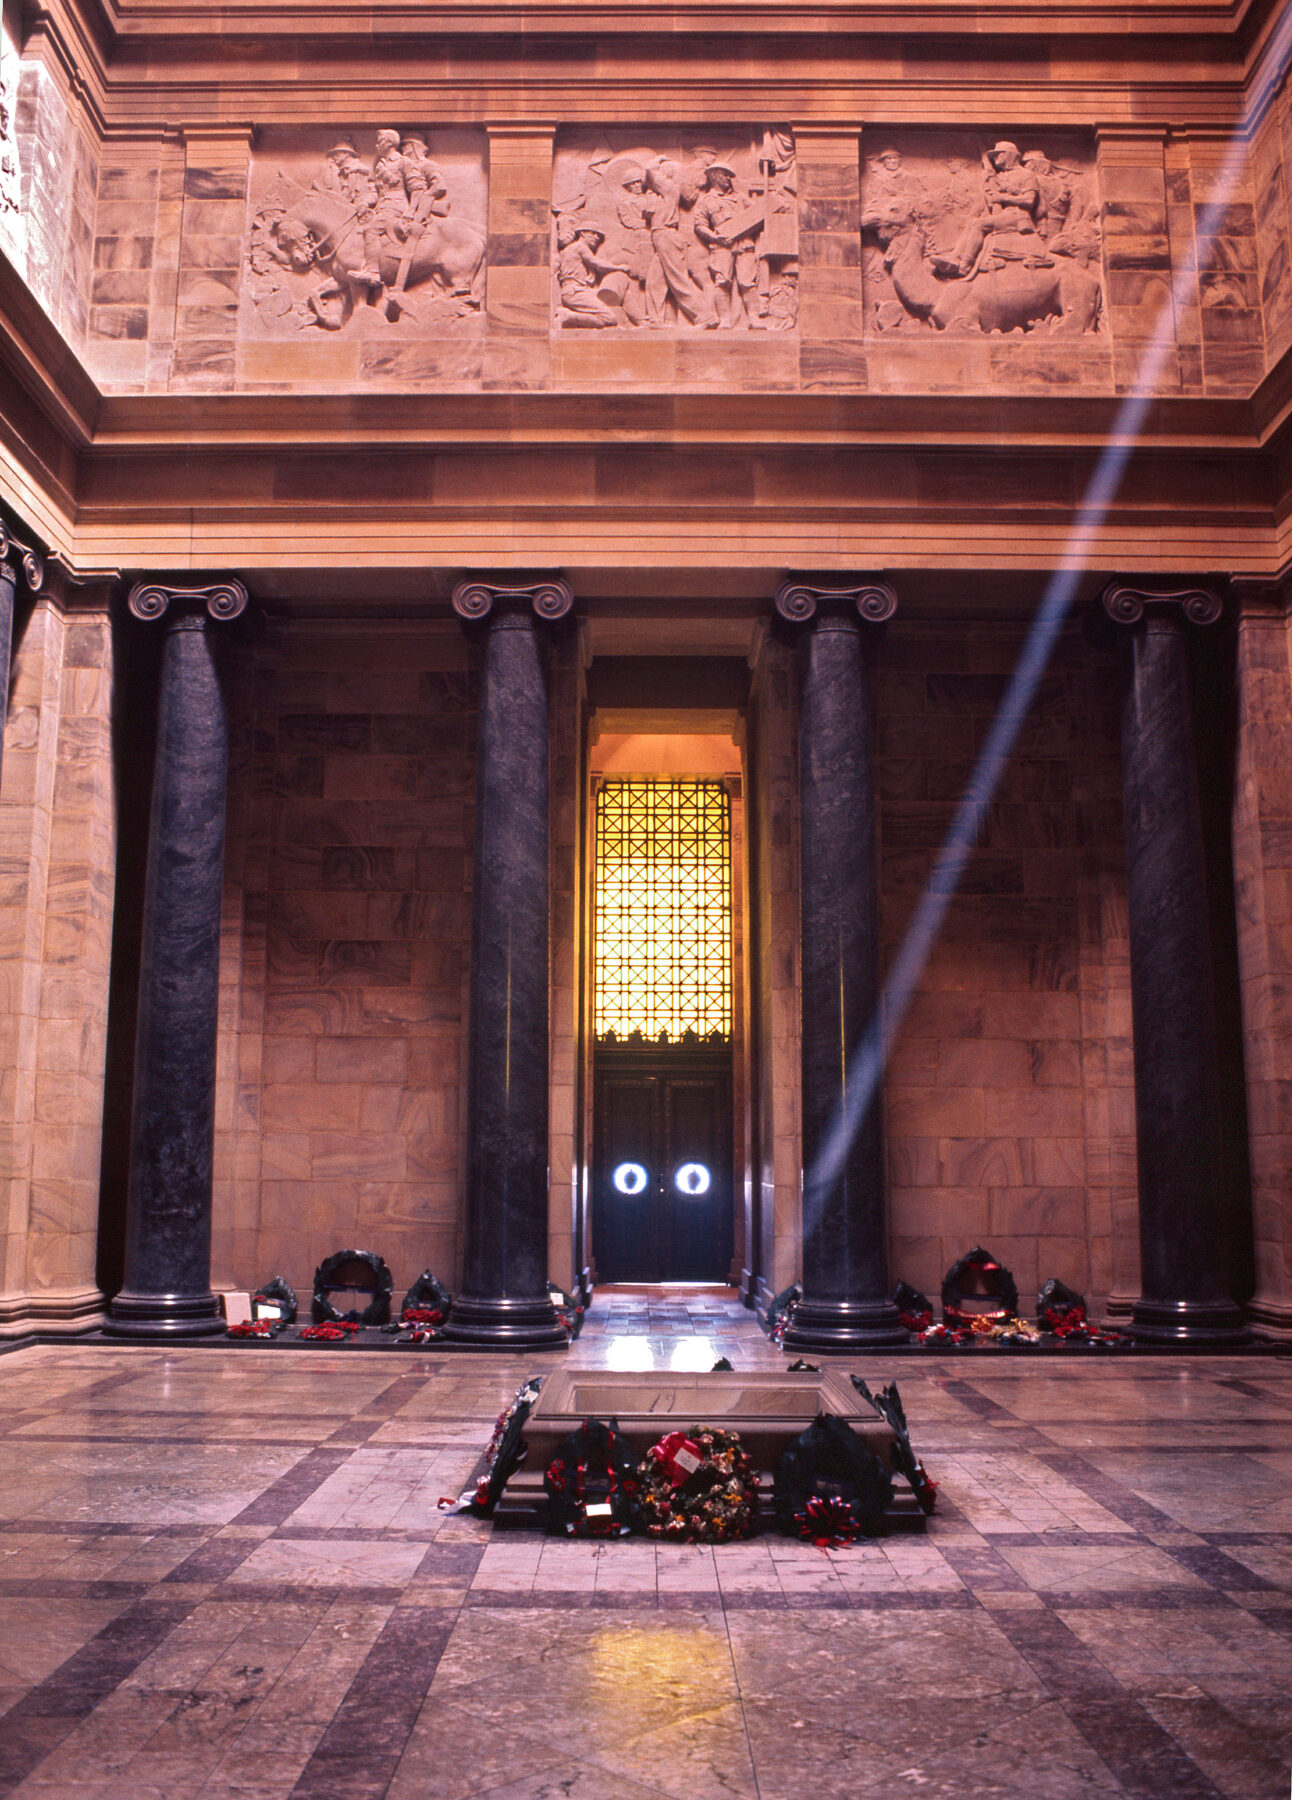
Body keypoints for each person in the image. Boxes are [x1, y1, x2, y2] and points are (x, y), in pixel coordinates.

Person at [938, 140, 1042, 277]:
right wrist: (986, 185)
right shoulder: (999, 177)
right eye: (994, 155)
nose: (995, 158)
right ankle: (955, 256)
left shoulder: (1026, 174)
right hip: (1002, 216)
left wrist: (1003, 198)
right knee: (971, 222)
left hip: (1017, 217)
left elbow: (1029, 200)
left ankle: (964, 265)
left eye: (999, 154)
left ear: (1010, 155)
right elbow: (991, 203)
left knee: (977, 224)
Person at [642, 158, 718, 328]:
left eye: (661, 172)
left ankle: (704, 316)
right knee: (654, 280)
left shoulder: (669, 188)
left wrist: (658, 159)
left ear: (666, 175)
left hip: (666, 236)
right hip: (660, 237)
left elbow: (649, 170)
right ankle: (655, 319)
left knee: (678, 280)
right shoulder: (660, 194)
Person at [693, 162, 761, 329]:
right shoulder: (706, 200)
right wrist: (715, 238)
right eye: (725, 174)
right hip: (722, 245)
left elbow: (758, 213)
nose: (728, 178)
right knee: (722, 282)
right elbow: (699, 225)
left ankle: (754, 318)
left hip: (744, 243)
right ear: (714, 176)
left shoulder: (740, 197)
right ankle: (725, 319)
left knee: (747, 282)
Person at [554, 223, 630, 327]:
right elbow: (598, 264)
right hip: (575, 292)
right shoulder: (580, 246)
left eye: (598, 235)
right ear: (582, 233)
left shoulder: (566, 250)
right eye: (593, 233)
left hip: (575, 290)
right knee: (609, 318)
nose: (596, 237)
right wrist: (619, 267)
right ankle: (567, 316)